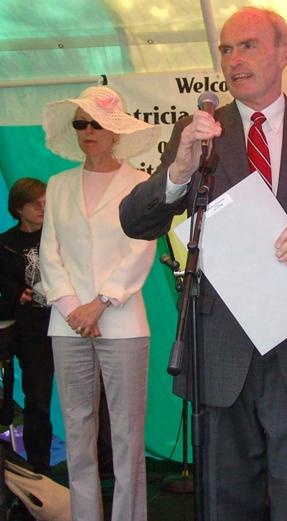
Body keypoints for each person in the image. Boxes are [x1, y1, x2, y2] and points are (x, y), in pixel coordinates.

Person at [119, 7, 287, 521]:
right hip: (220, 346)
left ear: (283, 54)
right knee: (224, 501)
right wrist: (178, 172)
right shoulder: (199, 133)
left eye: (248, 46)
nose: (233, 60)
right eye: (226, 50)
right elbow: (135, 221)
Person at [39, 86, 159, 521]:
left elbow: (142, 246)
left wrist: (102, 302)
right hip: (67, 323)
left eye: (97, 123)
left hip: (122, 322)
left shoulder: (139, 183)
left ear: (116, 132)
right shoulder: (59, 184)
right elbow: (49, 250)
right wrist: (73, 307)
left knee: (127, 435)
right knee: (77, 431)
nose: (88, 131)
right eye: (81, 123)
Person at [0, 178, 53, 476]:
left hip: (68, 323)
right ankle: (38, 469)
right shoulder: (5, 243)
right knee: (37, 400)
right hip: (31, 331)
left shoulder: (59, 235)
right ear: (19, 208)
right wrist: (16, 294)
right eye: (35, 203)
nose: (42, 208)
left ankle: (102, 466)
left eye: (46, 202)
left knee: (90, 397)